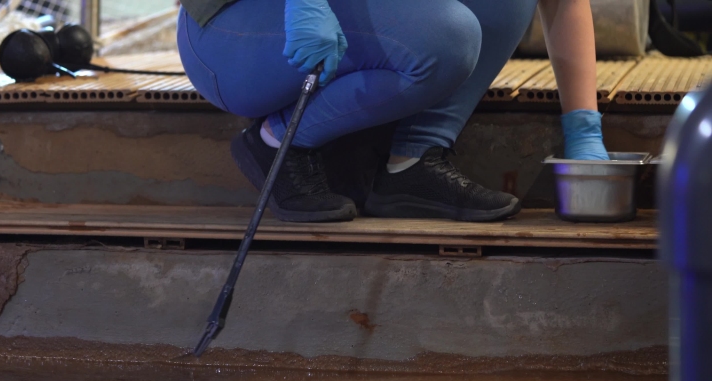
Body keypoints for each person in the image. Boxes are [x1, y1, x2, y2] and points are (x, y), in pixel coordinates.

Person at [176, 0, 609, 222]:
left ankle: (414, 159)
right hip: (233, 32)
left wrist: (584, 134)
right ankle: (280, 139)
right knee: (446, 38)